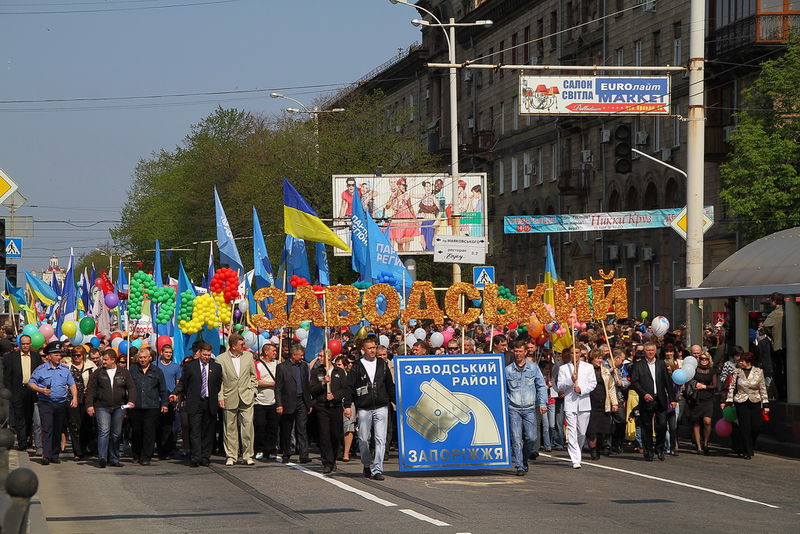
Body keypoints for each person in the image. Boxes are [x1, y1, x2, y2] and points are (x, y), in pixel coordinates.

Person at [346, 337, 395, 481]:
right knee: (363, 438)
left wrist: (395, 401)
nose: (373, 351)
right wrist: (347, 406)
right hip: (364, 407)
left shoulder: (382, 364)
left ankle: (378, 469)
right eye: (370, 348)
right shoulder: (357, 366)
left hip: (381, 405)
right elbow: (349, 387)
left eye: (374, 347)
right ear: (363, 350)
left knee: (380, 439)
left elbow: (389, 385)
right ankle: (366, 464)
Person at [171, 342, 222, 467]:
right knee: (195, 430)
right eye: (204, 355)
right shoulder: (190, 366)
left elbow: (218, 384)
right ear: (199, 353)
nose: (206, 357)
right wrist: (176, 392)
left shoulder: (216, 367)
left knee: (208, 431)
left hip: (209, 402)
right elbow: (184, 382)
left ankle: (205, 456)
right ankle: (196, 456)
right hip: (195, 402)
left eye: (209, 355)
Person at [27, 342, 78, 465]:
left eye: (59, 354)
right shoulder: (41, 369)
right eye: (55, 354)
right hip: (46, 403)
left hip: (60, 403)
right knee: (47, 429)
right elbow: (31, 382)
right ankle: (46, 455)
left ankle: (55, 454)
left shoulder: (65, 369)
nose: (58, 357)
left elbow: (72, 384)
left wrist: (75, 397)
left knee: (58, 429)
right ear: (48, 356)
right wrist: (41, 390)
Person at [85, 349, 137, 468]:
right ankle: (102, 458)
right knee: (103, 432)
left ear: (113, 360)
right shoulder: (98, 373)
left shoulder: (124, 372)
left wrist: (131, 401)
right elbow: (91, 390)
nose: (103, 361)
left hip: (119, 406)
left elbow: (132, 388)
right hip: (102, 406)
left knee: (116, 433)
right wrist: (89, 405)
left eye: (106, 359)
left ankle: (114, 458)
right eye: (103, 359)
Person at [505, 340, 547, 476]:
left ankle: (524, 458)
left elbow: (541, 386)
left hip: (529, 407)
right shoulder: (508, 370)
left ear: (525, 352)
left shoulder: (533, 368)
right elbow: (504, 389)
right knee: (516, 438)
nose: (518, 354)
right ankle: (519, 465)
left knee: (531, 438)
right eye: (516, 351)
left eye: (520, 351)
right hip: (514, 408)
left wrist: (542, 403)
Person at [216, 333, 258, 466]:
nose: (244, 347)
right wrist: (221, 397)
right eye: (241, 345)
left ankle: (248, 455)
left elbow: (253, 376)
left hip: (246, 396)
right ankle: (231, 455)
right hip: (229, 396)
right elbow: (219, 381)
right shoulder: (220, 359)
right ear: (233, 346)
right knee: (230, 428)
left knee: (248, 426)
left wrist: (253, 390)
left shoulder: (248, 356)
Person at [630, 342, 676, 461]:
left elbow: (667, 383)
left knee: (661, 425)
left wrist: (672, 399)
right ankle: (648, 450)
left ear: (655, 351)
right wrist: (644, 394)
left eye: (652, 350)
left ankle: (659, 448)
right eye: (648, 350)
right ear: (644, 351)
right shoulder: (638, 365)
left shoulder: (661, 364)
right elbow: (635, 382)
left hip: (660, 398)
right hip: (646, 399)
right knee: (646, 426)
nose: (650, 352)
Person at [310, 349, 349, 474]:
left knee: (335, 434)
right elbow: (312, 389)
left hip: (336, 407)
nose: (320, 358)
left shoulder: (340, 372)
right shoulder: (317, 372)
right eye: (319, 355)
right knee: (324, 434)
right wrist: (322, 383)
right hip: (322, 407)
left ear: (329, 357)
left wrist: (335, 395)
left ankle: (334, 458)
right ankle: (327, 462)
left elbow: (345, 389)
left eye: (322, 356)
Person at [723, 352, 769, 459]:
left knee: (756, 426)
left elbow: (763, 388)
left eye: (742, 361)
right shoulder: (737, 372)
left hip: (755, 400)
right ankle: (747, 450)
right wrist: (729, 400)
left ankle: (750, 444)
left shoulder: (758, 371)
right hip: (741, 401)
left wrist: (766, 403)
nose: (740, 362)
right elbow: (732, 386)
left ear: (748, 362)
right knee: (745, 427)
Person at [557, 350, 597, 469]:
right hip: (570, 403)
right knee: (572, 431)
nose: (575, 355)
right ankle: (575, 459)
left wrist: (582, 389)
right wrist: (570, 380)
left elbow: (593, 383)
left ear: (581, 354)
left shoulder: (588, 367)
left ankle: (577, 451)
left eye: (578, 352)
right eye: (573, 353)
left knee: (581, 432)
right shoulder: (564, 368)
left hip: (584, 402)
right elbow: (560, 386)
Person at [129, 347, 168, 465]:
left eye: (145, 357)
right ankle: (136, 455)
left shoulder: (157, 371)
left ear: (150, 358)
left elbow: (163, 389)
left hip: (152, 406)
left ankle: (146, 457)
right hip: (135, 406)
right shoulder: (132, 370)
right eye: (140, 358)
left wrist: (164, 403)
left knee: (149, 432)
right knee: (136, 432)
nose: (142, 360)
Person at [275, 343, 312, 464]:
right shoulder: (282, 367)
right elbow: (278, 387)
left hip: (302, 400)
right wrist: (279, 404)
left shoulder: (304, 366)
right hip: (288, 401)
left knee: (302, 428)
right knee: (287, 429)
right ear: (294, 354)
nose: (302, 357)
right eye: (300, 355)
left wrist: (309, 403)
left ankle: (303, 454)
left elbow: (307, 385)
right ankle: (286, 453)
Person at [5, 334, 40, 450]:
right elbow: (7, 376)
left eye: (27, 343)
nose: (25, 346)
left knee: (29, 417)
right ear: (20, 344)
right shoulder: (11, 357)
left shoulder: (36, 357)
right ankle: (22, 443)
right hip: (17, 390)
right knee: (19, 417)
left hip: (32, 390)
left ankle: (28, 437)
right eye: (23, 344)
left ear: (30, 344)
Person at [585, 349, 618, 460]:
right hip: (590, 403)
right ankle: (593, 451)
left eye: (601, 358)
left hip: (603, 403)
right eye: (597, 358)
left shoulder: (605, 371)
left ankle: (598, 447)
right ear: (592, 359)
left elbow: (611, 388)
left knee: (602, 430)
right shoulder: (585, 370)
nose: (599, 360)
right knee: (591, 430)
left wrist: (614, 403)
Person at [66, 345, 95, 460]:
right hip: (71, 398)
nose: (76, 357)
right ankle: (77, 452)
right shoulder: (67, 367)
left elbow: (95, 381)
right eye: (74, 355)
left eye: (78, 355)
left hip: (86, 398)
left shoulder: (91, 366)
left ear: (83, 356)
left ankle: (85, 448)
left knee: (86, 425)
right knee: (74, 425)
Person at [154, 344, 181, 460]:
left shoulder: (176, 367)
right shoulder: (155, 365)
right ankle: (157, 447)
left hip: (169, 399)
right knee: (157, 425)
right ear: (161, 353)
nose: (169, 354)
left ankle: (166, 449)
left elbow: (179, 382)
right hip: (156, 399)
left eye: (170, 353)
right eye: (166, 352)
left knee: (168, 426)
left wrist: (176, 394)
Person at [687, 352, 718, 455]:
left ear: (709, 360)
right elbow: (689, 381)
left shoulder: (712, 371)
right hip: (696, 399)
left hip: (708, 399)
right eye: (702, 359)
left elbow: (714, 386)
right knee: (696, 422)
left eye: (706, 359)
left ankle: (706, 443)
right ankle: (699, 447)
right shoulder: (694, 370)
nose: (704, 360)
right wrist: (696, 384)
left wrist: (705, 386)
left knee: (707, 421)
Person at [253, 342, 279, 461]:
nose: (275, 353)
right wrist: (271, 384)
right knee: (260, 426)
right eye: (273, 351)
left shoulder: (277, 364)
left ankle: (271, 449)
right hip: (260, 401)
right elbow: (256, 381)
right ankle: (259, 449)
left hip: (273, 401)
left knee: (272, 427)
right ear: (266, 352)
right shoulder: (257, 365)